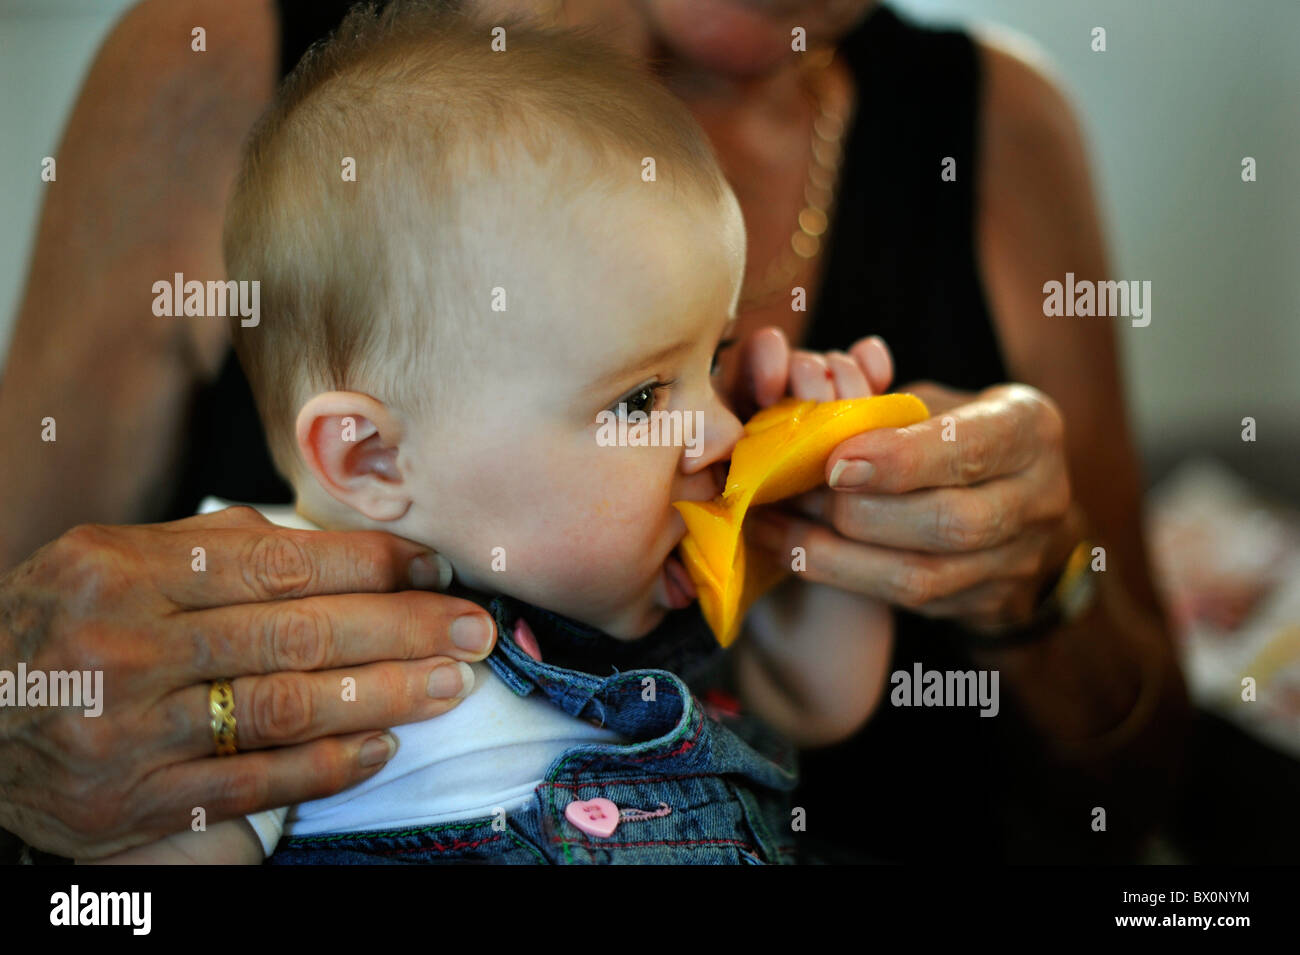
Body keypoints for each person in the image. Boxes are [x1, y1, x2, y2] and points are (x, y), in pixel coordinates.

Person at [0, 0, 1186, 863]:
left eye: (711, 364)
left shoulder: (648, 587)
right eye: (636, 399)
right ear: (368, 459)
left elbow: (818, 697)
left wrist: (834, 506)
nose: (716, 432)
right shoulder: (266, 635)